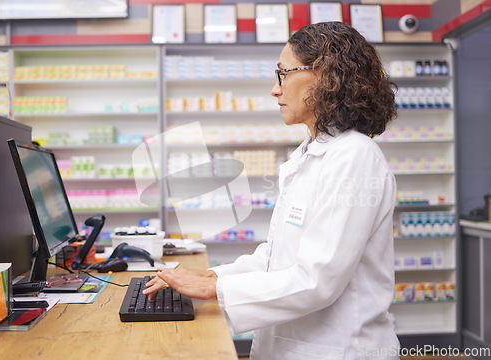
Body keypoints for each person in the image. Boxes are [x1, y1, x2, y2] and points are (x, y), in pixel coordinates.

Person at [144, 22, 399, 360]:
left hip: (339, 349)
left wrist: (215, 288)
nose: (275, 90)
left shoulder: (354, 157)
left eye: (283, 73)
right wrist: (211, 275)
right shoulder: (309, 153)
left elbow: (317, 280)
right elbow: (278, 256)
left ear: (325, 75)